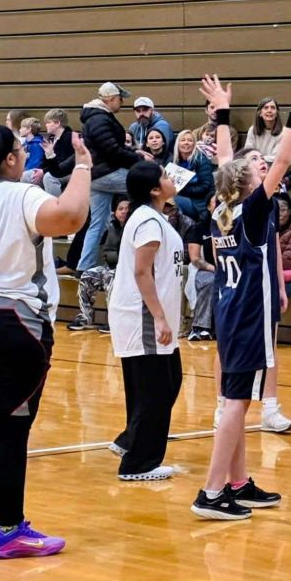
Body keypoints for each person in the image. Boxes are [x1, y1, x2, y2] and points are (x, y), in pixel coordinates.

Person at [191, 73, 291, 520]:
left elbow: (227, 159)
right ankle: (210, 492)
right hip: (247, 315)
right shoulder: (253, 208)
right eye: (256, 167)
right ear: (247, 183)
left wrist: (224, 113)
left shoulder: (223, 209)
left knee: (235, 399)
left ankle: (238, 482)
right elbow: (283, 160)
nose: (264, 167)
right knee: (237, 402)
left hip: (229, 311)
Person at [0, 125, 91, 559]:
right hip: (15, 321)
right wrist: (84, 166)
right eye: (21, 150)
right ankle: (8, 528)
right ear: (10, 159)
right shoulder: (20, 194)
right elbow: (69, 216)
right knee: (11, 430)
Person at [107, 163, 184, 481]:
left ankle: (130, 441)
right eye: (164, 176)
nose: (170, 178)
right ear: (154, 189)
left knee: (165, 383)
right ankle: (138, 464)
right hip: (144, 317)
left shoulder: (153, 217)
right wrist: (159, 318)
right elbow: (141, 272)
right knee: (155, 390)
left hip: (151, 318)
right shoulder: (149, 221)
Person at [77, 81, 145, 274]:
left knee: (97, 224)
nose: (122, 103)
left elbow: (111, 148)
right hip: (107, 173)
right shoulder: (100, 119)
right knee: (148, 186)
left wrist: (135, 153)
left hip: (95, 176)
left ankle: (84, 267)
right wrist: (138, 159)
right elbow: (112, 150)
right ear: (112, 98)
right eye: (121, 99)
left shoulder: (94, 118)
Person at [67, 195, 129, 332]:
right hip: (113, 266)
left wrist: (119, 264)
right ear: (115, 212)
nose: (124, 211)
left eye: (127, 209)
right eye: (120, 209)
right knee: (88, 275)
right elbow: (107, 251)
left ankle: (114, 320)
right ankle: (85, 316)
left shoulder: (135, 228)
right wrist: (113, 263)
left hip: (130, 271)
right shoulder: (112, 227)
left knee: (110, 276)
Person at [186, 197, 217, 342]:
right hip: (203, 269)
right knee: (211, 281)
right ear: (208, 207)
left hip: (230, 268)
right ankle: (199, 327)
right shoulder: (199, 228)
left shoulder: (233, 225)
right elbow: (195, 258)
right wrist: (214, 269)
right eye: (216, 202)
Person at [172, 129, 215, 220]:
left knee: (173, 200)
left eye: (190, 140)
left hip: (198, 203)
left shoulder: (202, 161)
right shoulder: (174, 162)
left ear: (194, 144)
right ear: (177, 144)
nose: (186, 143)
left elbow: (205, 187)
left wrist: (182, 190)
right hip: (183, 197)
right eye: (183, 140)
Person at [40, 109, 74, 197]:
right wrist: (40, 170)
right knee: (28, 175)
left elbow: (65, 164)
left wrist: (44, 171)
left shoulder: (69, 137)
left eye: (48, 122)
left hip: (69, 172)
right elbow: (45, 161)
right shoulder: (51, 138)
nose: (45, 125)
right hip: (55, 169)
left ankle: (55, 204)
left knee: (49, 177)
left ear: (57, 123)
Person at [244, 97, 283, 163]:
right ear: (260, 113)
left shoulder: (284, 132)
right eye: (266, 108)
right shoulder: (252, 130)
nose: (269, 110)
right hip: (255, 166)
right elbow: (248, 153)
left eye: (273, 108)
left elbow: (276, 158)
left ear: (277, 113)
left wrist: (257, 158)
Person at [18, 118, 45, 184]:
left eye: (22, 127)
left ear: (29, 129)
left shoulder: (37, 145)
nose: (19, 130)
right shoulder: (25, 144)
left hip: (33, 173)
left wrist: (20, 172)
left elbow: (34, 163)